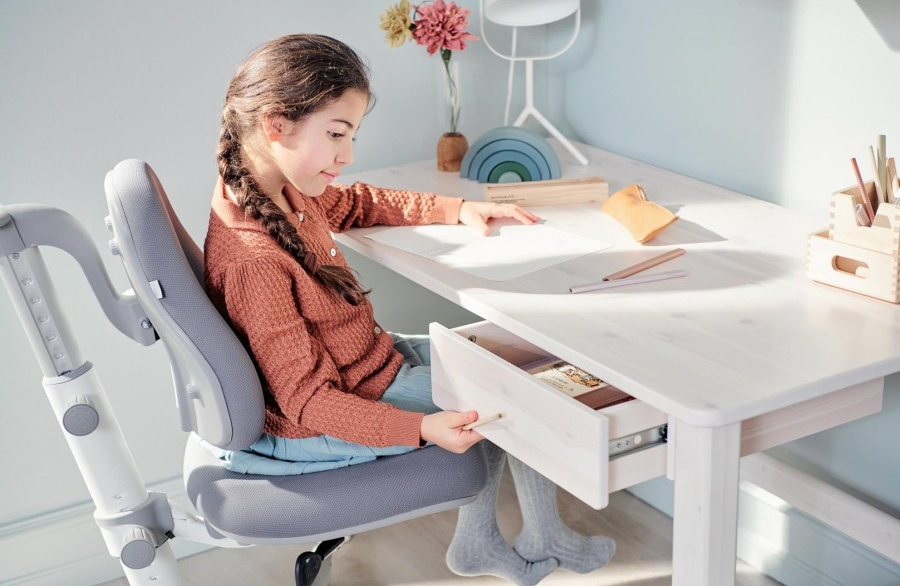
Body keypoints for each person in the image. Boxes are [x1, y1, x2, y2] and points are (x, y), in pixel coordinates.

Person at [204, 33, 615, 585]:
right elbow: (307, 402)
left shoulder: (278, 185)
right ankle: (507, 539)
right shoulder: (252, 258)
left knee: (510, 362)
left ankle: (511, 538)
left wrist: (458, 207)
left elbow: (357, 201)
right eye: (336, 135)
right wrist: (420, 428)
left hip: (368, 368)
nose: (348, 156)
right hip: (327, 413)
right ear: (276, 123)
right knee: (517, 391)